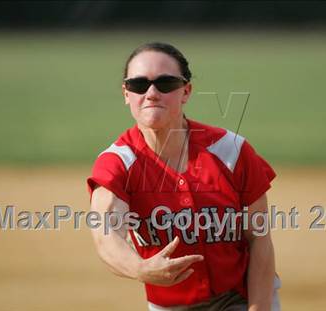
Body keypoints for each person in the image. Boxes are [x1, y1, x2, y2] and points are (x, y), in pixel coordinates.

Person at [87, 42, 281, 311]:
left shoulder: (230, 151)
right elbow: (106, 237)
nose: (152, 93)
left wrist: (259, 307)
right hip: (170, 306)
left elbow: (259, 238)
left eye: (165, 83)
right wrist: (140, 268)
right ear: (126, 93)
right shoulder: (118, 163)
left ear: (185, 91)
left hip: (239, 297)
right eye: (138, 85)